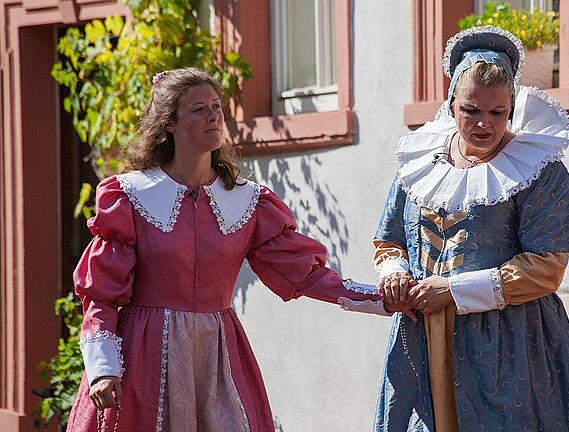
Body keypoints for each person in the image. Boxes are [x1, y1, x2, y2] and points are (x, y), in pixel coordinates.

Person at [66, 68, 388, 432]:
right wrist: (103, 367)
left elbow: (304, 273)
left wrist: (381, 299)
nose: (214, 116)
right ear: (169, 124)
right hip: (144, 353)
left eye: (217, 106)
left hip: (217, 354)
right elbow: (101, 292)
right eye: (199, 109)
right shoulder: (132, 197)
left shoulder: (246, 201)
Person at [372, 26, 569, 431]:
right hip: (423, 337)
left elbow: (547, 266)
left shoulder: (537, 170)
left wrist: (455, 290)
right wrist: (394, 274)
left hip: (505, 344)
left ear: (512, 107)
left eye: (497, 112)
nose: (483, 124)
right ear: (451, 104)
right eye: (470, 111)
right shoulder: (421, 163)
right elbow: (390, 240)